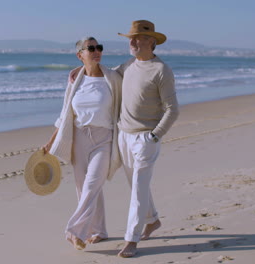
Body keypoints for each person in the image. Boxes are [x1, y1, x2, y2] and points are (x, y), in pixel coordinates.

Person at [69, 20, 179, 258]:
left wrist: (154, 136)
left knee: (138, 191)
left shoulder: (161, 70)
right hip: (123, 136)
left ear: (151, 41)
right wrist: (79, 73)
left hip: (145, 139)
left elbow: (172, 110)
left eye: (137, 38)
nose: (132, 42)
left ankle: (132, 240)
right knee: (136, 185)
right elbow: (102, 74)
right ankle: (152, 220)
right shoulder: (128, 65)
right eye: (130, 38)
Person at [42, 37, 122, 250]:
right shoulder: (74, 79)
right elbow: (65, 112)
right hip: (79, 137)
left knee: (92, 184)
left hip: (104, 137)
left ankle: (75, 230)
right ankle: (99, 231)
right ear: (80, 55)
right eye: (91, 48)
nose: (97, 51)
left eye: (99, 48)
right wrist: (51, 142)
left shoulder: (112, 77)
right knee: (83, 187)